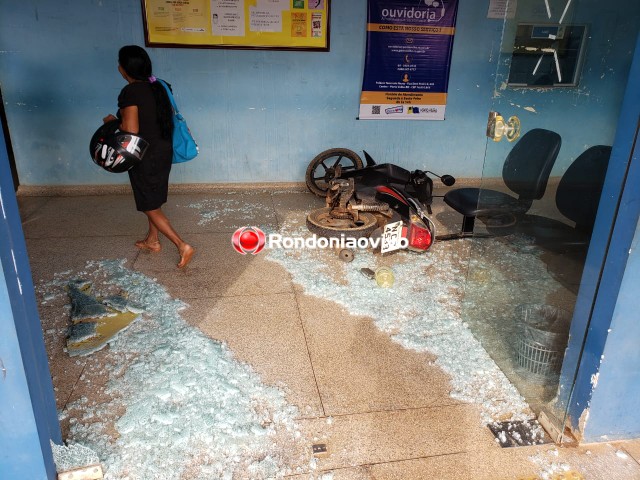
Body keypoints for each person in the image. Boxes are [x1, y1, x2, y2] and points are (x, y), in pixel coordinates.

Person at [103, 45, 194, 268]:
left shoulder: (131, 92)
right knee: (153, 197)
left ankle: (182, 245)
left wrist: (111, 123)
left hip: (143, 153)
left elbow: (131, 130)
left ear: (123, 69)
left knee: (148, 204)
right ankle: (153, 241)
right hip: (163, 149)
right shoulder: (160, 86)